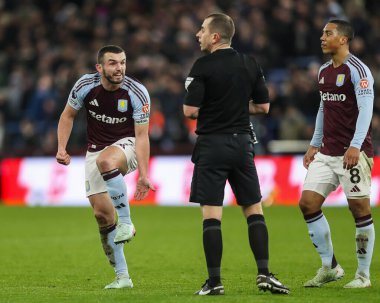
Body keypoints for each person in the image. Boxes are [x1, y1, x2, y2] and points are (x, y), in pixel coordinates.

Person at [183, 13, 289, 295]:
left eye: (202, 30)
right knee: (254, 210)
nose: (198, 34)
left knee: (212, 217)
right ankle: (264, 274)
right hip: (243, 144)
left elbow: (190, 111)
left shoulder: (202, 65)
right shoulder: (250, 63)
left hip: (212, 146)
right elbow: (264, 107)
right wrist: (235, 106)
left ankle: (215, 282)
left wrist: (216, 108)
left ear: (215, 37)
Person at [56, 45, 155, 289]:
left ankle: (126, 221)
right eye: (112, 63)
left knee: (107, 161)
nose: (119, 67)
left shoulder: (137, 92)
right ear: (100, 67)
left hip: (128, 145)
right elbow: (68, 115)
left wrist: (144, 174)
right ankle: (122, 277)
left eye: (122, 62)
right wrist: (61, 147)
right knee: (101, 215)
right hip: (95, 149)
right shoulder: (85, 86)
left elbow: (142, 136)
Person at [299, 20, 375, 289]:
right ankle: (330, 267)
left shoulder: (358, 71)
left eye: (328, 33)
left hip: (352, 152)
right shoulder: (323, 71)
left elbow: (367, 110)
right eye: (322, 33)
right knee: (308, 203)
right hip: (327, 152)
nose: (322, 37)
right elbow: (323, 108)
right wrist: (314, 143)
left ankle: (363, 276)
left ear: (343, 39)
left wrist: (355, 145)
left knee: (359, 209)